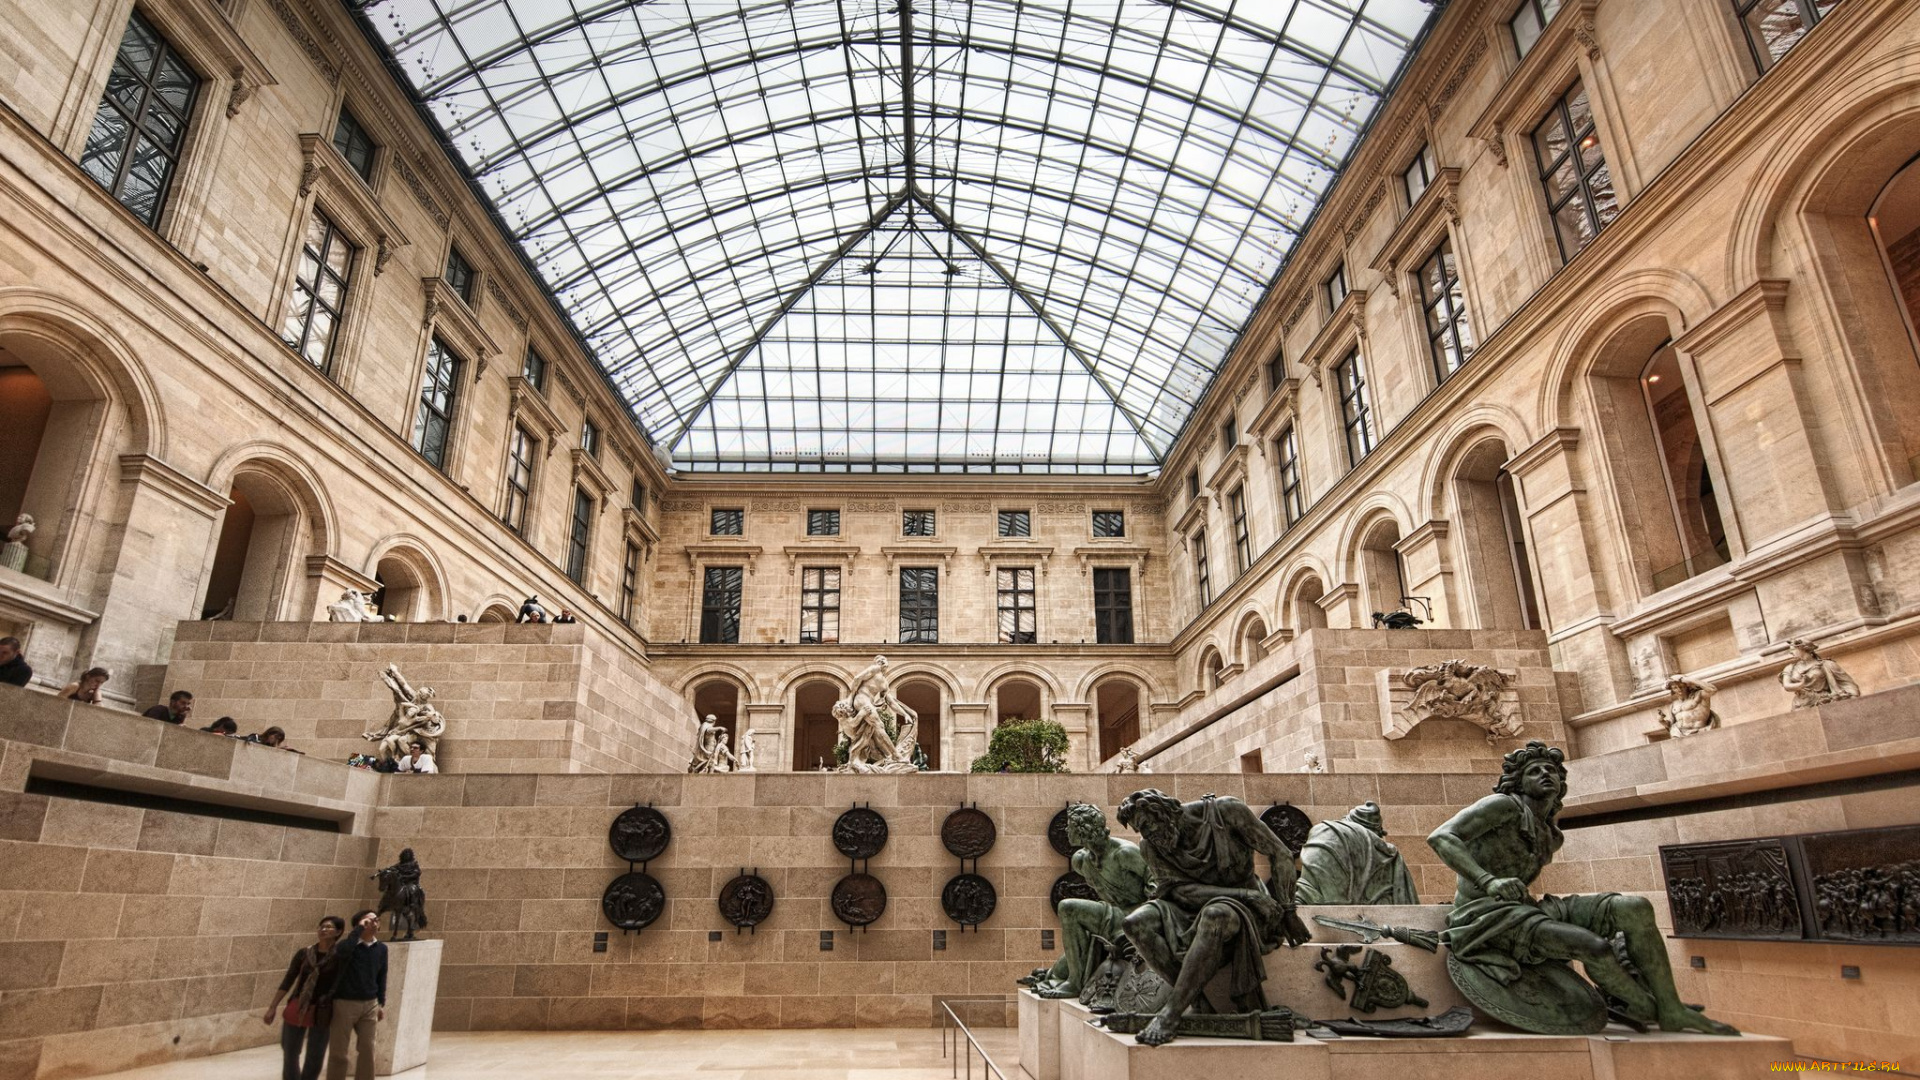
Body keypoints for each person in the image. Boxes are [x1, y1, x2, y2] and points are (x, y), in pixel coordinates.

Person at [1427, 741, 1738, 1035]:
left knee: (1634, 907)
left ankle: (1672, 1008)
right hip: (1485, 919)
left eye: (1551, 771)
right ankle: (1647, 1007)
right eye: (1534, 771)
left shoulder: (1551, 834)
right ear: (1519, 782)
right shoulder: (1502, 806)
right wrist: (1488, 880)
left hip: (1526, 909)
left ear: (1561, 783)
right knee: (1594, 947)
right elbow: (1441, 837)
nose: (1545, 774)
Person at [264, 914, 345, 1080]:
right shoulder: (304, 953)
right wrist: (272, 1006)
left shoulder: (339, 957)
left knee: (316, 1053)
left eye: (328, 927)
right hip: (298, 1004)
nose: (323, 929)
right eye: (321, 926)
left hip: (322, 1010)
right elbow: (288, 980)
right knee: (290, 1050)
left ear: (338, 932)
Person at [323, 909, 388, 1080]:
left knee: (368, 1049)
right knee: (339, 1052)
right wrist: (358, 930)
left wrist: (380, 1003)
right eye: (368, 921)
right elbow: (342, 952)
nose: (374, 923)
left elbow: (381, 977)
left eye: (376, 920)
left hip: (370, 1003)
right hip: (345, 1003)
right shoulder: (347, 946)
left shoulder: (381, 948)